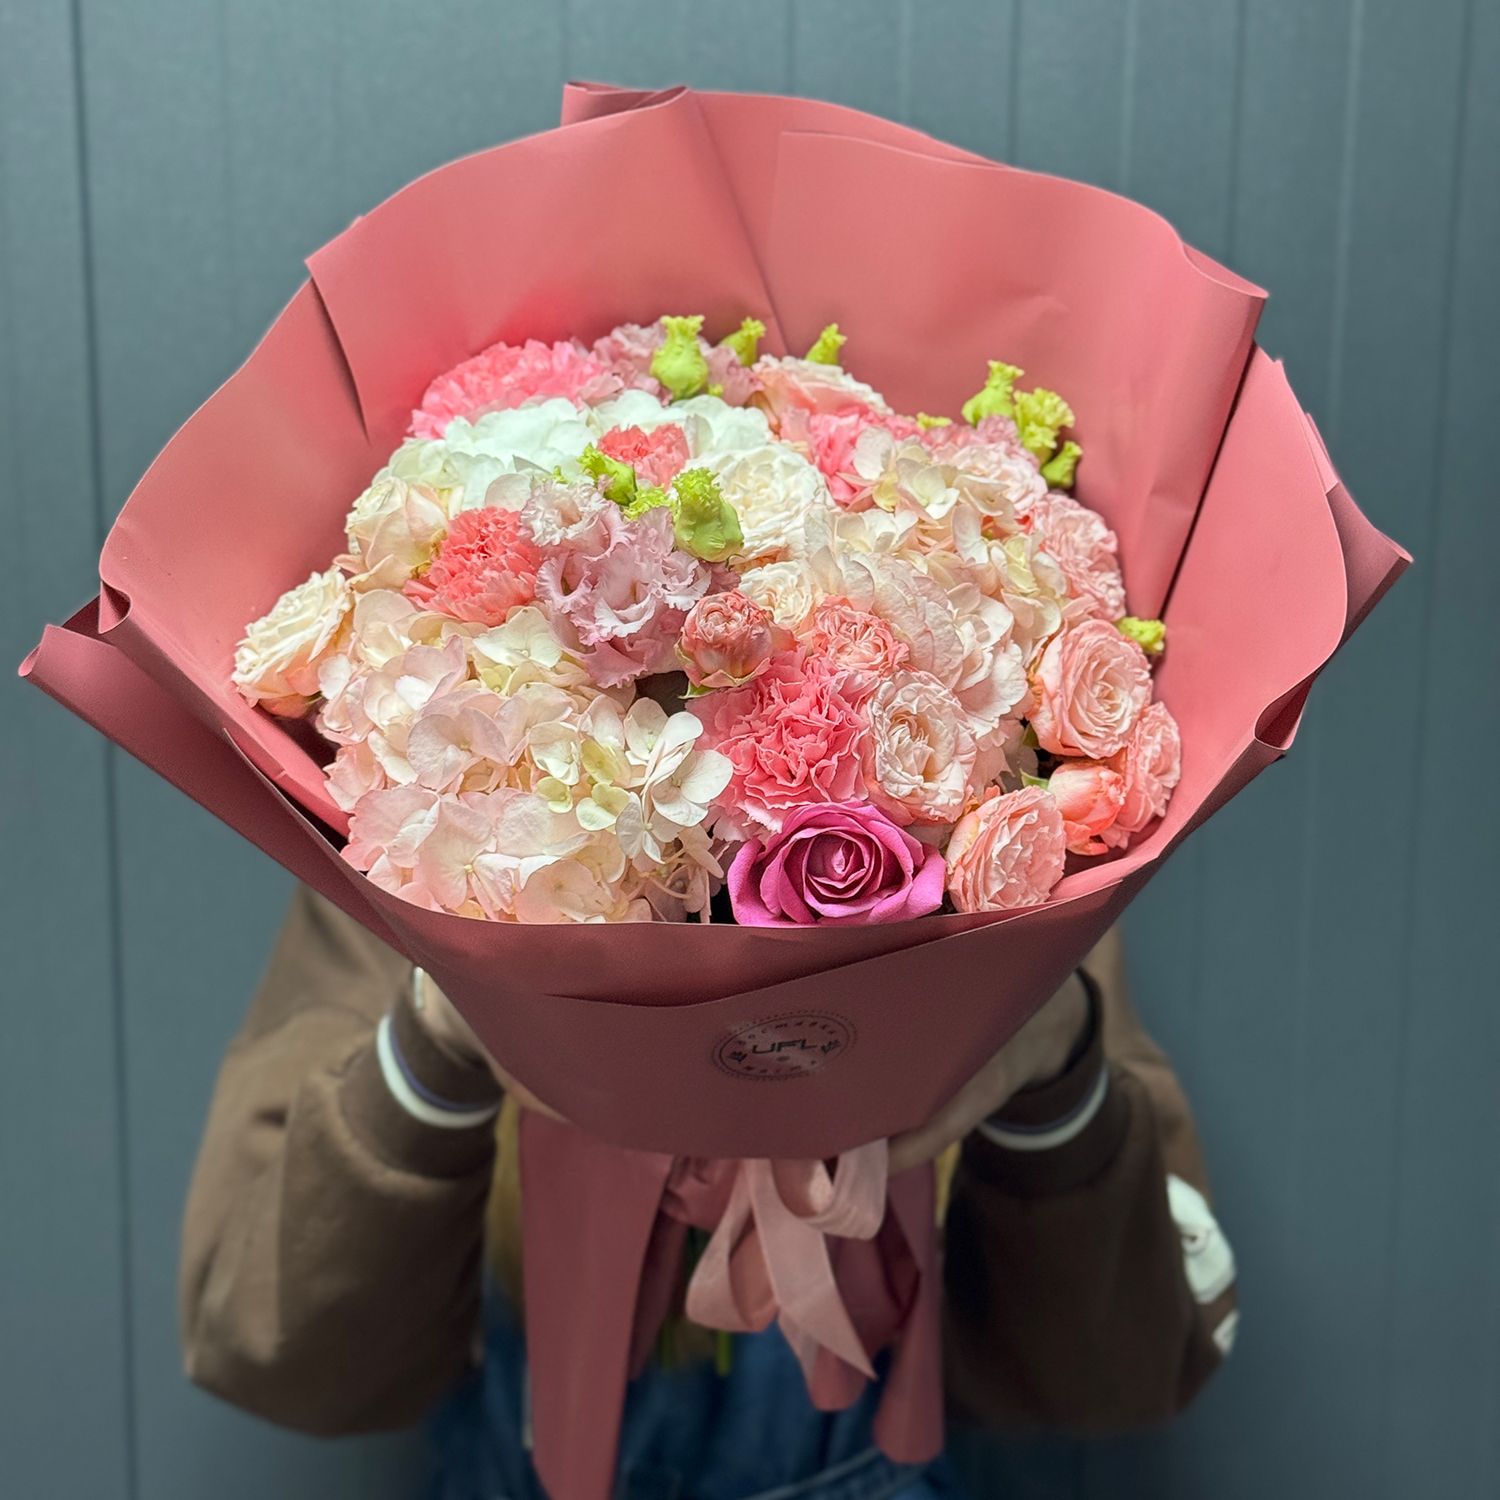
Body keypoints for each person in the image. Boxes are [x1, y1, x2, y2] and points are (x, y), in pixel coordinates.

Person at [181, 885, 1237, 1500]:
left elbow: (1122, 1378)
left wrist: (1055, 1070)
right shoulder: (407, 823)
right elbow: (275, 1352)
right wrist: (442, 1033)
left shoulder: (1015, 856)